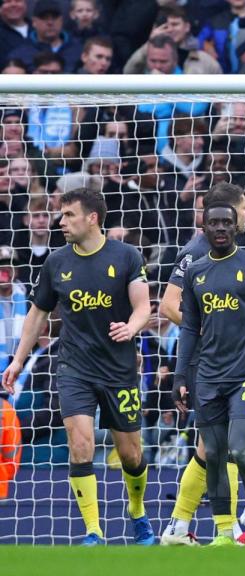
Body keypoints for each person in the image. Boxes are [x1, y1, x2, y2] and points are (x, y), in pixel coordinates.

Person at [1, 187, 154, 546]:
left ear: (92, 218)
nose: (60, 221)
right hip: (74, 369)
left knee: (131, 454)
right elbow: (38, 313)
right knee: (80, 444)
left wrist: (131, 327)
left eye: (68, 214)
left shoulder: (127, 256)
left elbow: (144, 306)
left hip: (119, 369)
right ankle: (93, 531)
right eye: (60, 214)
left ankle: (137, 511)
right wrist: (18, 361)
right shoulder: (56, 262)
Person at [174, 201, 245, 547]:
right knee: (215, 454)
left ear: (237, 228)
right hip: (207, 375)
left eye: (227, 222)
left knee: (238, 449)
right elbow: (190, 328)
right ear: (204, 228)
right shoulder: (196, 272)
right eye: (214, 223)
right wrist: (179, 377)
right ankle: (223, 531)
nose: (220, 228)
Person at [158, 183, 245, 546]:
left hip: (225, 361)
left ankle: (178, 527)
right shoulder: (197, 250)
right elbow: (167, 306)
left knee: (209, 447)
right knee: (220, 445)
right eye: (244, 208)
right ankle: (226, 530)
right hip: (207, 361)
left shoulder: (227, 250)